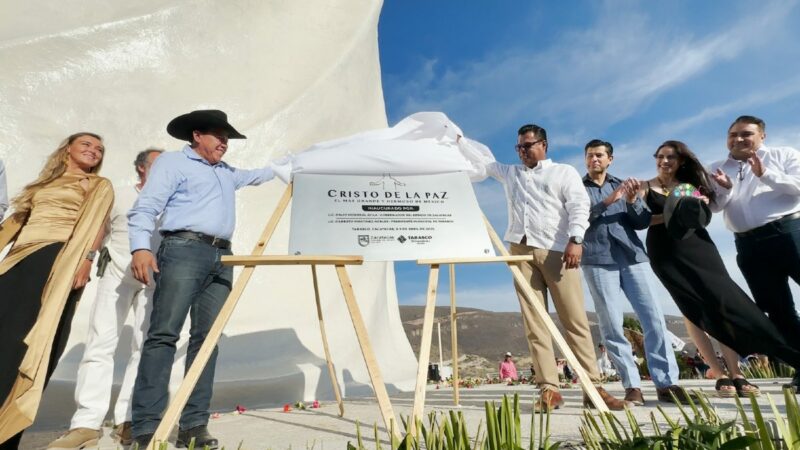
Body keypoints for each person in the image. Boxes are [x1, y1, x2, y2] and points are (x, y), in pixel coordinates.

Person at [128, 110, 277, 449]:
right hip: (183, 249)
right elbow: (147, 206)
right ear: (197, 135)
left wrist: (301, 162)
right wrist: (140, 248)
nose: (224, 142)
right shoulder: (171, 164)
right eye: (218, 135)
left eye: (227, 138)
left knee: (207, 340)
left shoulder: (226, 172)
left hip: (223, 256)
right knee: (164, 334)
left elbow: (260, 174)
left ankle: (194, 425)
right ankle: (147, 428)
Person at [468, 124, 627, 412]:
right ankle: (548, 388)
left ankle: (593, 386)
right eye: (519, 147)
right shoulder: (511, 173)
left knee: (574, 319)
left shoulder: (562, 172)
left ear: (543, 145)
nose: (522, 152)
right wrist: (453, 139)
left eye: (527, 146)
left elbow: (579, 206)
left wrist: (576, 239)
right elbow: (482, 163)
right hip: (519, 251)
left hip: (559, 250)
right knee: (534, 322)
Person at [639, 140, 800, 398]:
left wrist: (714, 193)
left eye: (671, 157)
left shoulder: (691, 186)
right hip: (665, 252)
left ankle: (737, 372)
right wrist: (669, 215)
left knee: (722, 303)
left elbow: (708, 212)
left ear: (681, 161)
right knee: (691, 309)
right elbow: (639, 219)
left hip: (700, 248)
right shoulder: (644, 187)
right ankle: (719, 373)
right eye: (660, 156)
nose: (664, 161)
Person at [0, 133, 113, 449]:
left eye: (99, 149)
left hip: (56, 264)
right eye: (86, 145)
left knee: (29, 344)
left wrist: (87, 260)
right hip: (16, 263)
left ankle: (6, 432)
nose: (94, 150)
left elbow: (95, 225)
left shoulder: (97, 185)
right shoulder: (40, 187)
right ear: (67, 151)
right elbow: (11, 226)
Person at [46, 149, 163, 450]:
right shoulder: (118, 194)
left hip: (155, 280)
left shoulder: (173, 198)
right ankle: (86, 424)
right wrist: (87, 258)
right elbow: (100, 228)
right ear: (141, 168)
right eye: (157, 164)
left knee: (145, 348)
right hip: (117, 273)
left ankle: (128, 421)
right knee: (100, 343)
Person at [581, 139, 684, 405]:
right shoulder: (577, 189)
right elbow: (578, 220)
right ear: (585, 159)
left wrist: (631, 201)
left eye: (600, 155)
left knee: (654, 320)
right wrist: (608, 201)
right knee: (612, 326)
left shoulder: (626, 186)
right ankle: (632, 386)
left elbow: (640, 222)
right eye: (590, 155)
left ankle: (667, 383)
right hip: (597, 260)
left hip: (632, 257)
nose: (595, 160)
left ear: (609, 159)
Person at [708, 115, 800, 390]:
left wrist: (765, 174)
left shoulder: (783, 155)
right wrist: (724, 190)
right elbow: (711, 207)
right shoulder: (714, 168)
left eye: (746, 134)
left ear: (762, 136)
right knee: (778, 310)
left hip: (789, 233)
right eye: (733, 134)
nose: (738, 139)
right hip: (748, 245)